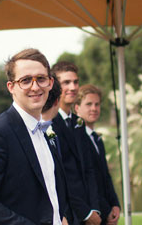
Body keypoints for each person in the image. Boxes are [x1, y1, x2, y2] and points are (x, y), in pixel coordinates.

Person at [0, 48, 69, 225]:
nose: (35, 87)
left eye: (41, 79)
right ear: (11, 87)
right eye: (25, 80)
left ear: (50, 83)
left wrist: (61, 217)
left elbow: (50, 191)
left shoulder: (44, 131)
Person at [50, 61, 101, 225]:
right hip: (66, 214)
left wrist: (95, 208)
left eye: (75, 82)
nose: (72, 87)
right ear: (54, 85)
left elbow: (89, 169)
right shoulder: (49, 124)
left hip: (90, 211)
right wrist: (85, 212)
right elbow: (60, 175)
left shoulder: (78, 123)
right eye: (66, 82)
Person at [74, 84, 121, 225]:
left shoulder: (97, 139)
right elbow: (86, 181)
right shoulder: (76, 139)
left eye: (97, 104)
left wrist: (115, 204)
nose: (94, 108)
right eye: (89, 104)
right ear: (77, 108)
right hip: (91, 214)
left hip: (106, 210)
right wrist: (106, 211)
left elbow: (105, 175)